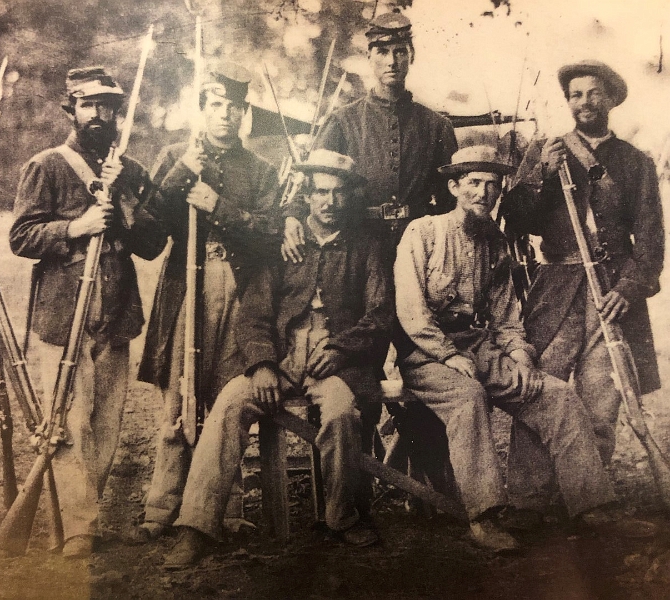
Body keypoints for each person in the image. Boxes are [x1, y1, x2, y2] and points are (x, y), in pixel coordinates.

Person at [162, 149, 393, 569]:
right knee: (229, 404)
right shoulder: (282, 245)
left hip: (338, 358)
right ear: (306, 196)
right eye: (321, 192)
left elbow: (379, 315)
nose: (330, 202)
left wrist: (342, 349)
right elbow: (253, 315)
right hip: (283, 353)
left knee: (341, 413)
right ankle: (196, 525)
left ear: (350, 196)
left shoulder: (368, 246)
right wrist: (263, 364)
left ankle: (343, 516)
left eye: (339, 193)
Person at [394, 145, 616, 552]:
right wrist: (447, 355)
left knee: (555, 394)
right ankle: (484, 517)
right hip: (424, 354)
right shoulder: (423, 232)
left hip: (474, 345)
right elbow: (412, 311)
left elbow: (505, 316)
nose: (483, 193)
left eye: (492, 185)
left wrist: (521, 358)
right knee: (469, 398)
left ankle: (592, 504)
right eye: (473, 182)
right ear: (454, 187)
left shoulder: (494, 242)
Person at [282, 11, 460, 501]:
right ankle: (353, 490)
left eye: (401, 51)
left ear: (411, 56)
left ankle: (432, 486)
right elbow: (310, 184)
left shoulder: (436, 126)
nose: (392, 61)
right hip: (358, 262)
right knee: (355, 372)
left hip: (418, 264)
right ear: (369, 57)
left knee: (426, 365)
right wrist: (292, 217)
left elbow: (451, 205)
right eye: (382, 52)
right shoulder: (344, 121)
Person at [9, 66, 167, 558]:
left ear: (118, 113)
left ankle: (84, 516)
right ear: (71, 110)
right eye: (88, 105)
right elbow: (21, 237)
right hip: (63, 316)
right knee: (69, 422)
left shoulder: (132, 171)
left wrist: (125, 201)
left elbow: (151, 245)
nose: (99, 114)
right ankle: (80, 527)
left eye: (108, 106)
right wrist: (75, 228)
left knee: (106, 424)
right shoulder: (46, 166)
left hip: (116, 313)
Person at [500, 61, 664, 525]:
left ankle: (589, 500)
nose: (585, 102)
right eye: (576, 94)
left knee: (601, 398)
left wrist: (629, 288)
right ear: (567, 101)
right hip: (557, 289)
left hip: (611, 295)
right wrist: (540, 176)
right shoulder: (546, 151)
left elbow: (650, 240)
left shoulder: (635, 162)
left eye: (594, 93)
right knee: (539, 388)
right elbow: (516, 218)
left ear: (611, 99)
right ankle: (529, 499)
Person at [136, 62, 281, 541]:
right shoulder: (176, 157)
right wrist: (182, 175)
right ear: (203, 109)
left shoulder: (260, 170)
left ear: (243, 113)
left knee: (226, 394)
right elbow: (148, 233)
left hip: (239, 290)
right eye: (216, 105)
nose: (225, 114)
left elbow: (270, 235)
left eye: (234, 107)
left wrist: (219, 206)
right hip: (187, 287)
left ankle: (226, 508)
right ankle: (161, 507)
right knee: (180, 394)